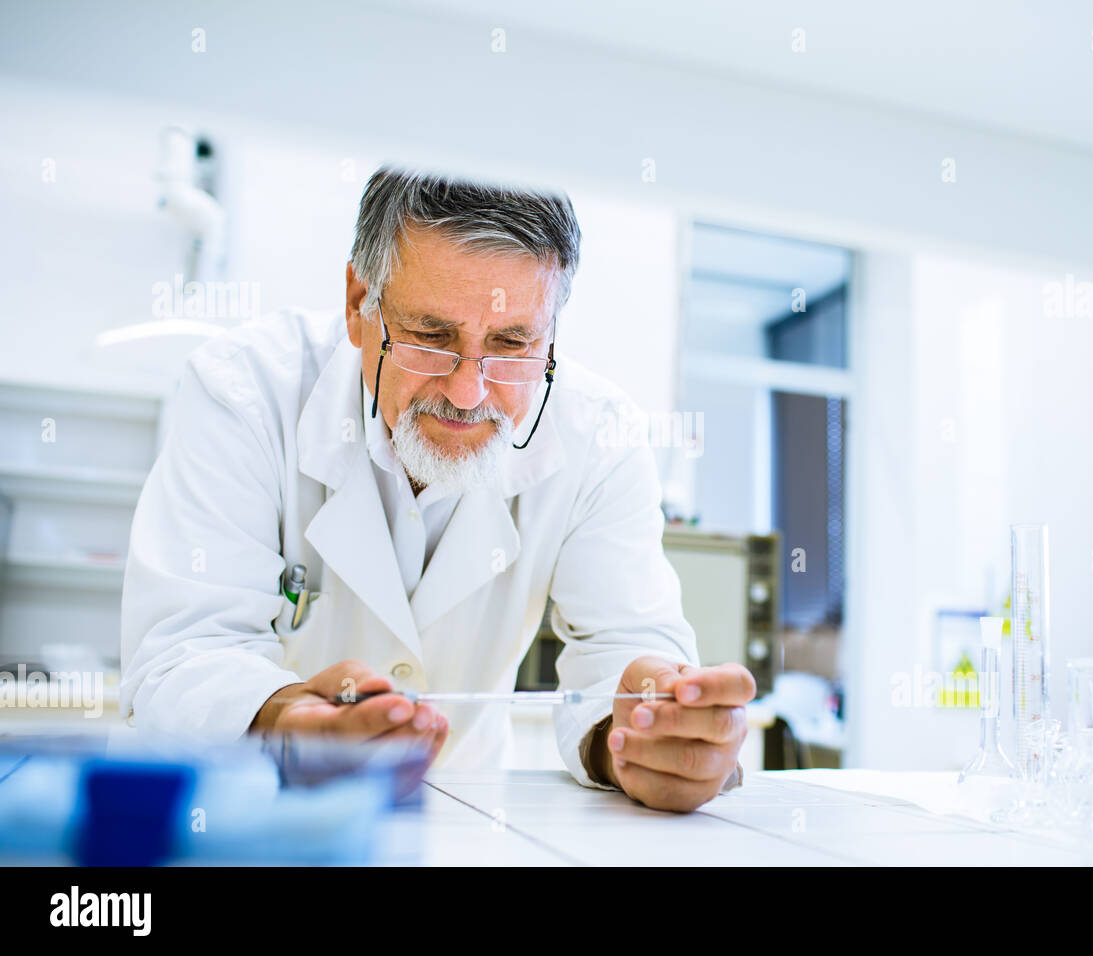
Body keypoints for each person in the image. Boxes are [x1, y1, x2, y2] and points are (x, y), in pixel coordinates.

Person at [120, 167, 754, 812]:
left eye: (512, 344)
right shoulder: (246, 391)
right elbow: (185, 655)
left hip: (468, 822)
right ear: (358, 303)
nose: (469, 392)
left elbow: (625, 644)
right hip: (259, 821)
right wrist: (281, 721)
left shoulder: (602, 434)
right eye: (431, 337)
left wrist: (642, 731)